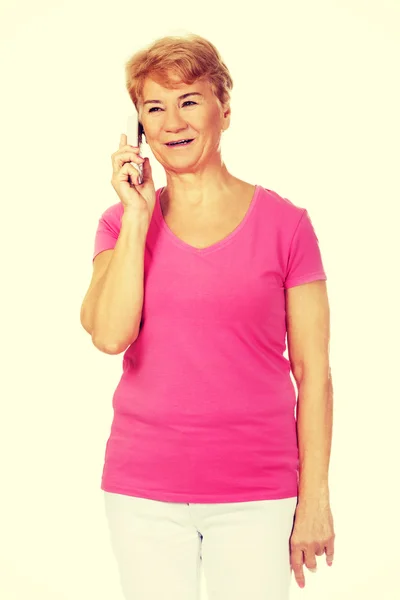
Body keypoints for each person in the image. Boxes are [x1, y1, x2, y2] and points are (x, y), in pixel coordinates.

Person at [80, 33, 335, 600]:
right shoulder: (121, 225)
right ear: (140, 126)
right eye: (154, 107)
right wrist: (139, 215)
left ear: (224, 108)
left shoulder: (287, 226)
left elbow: (313, 373)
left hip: (257, 492)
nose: (173, 121)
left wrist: (314, 499)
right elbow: (110, 334)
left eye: (189, 100)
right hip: (143, 489)